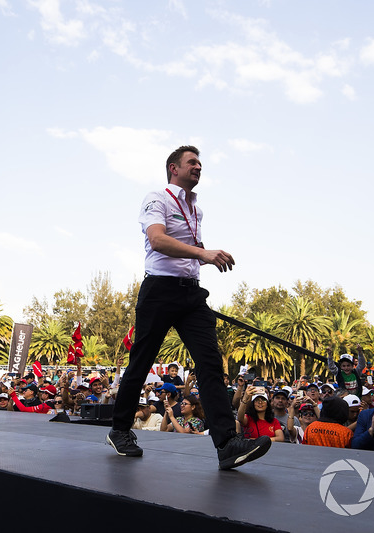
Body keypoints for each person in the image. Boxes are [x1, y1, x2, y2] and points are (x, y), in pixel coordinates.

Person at [107, 145, 271, 470]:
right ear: (174, 168)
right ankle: (120, 429)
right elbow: (157, 240)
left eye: (200, 163)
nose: (199, 167)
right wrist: (204, 254)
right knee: (141, 362)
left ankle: (227, 445)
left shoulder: (196, 209)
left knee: (210, 363)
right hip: (159, 291)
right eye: (192, 162)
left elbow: (187, 250)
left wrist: (200, 257)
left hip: (191, 296)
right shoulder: (158, 199)